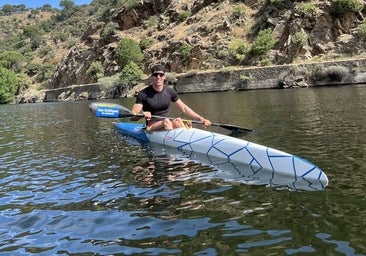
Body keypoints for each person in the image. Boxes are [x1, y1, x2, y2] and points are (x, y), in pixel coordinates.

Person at [130, 64, 211, 131]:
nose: (158, 77)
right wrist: (141, 114)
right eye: (155, 75)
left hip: (168, 123)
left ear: (164, 76)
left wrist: (201, 118)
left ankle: (184, 138)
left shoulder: (170, 91)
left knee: (178, 120)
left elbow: (184, 108)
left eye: (161, 74)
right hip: (152, 125)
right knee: (166, 121)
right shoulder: (143, 94)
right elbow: (133, 116)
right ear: (152, 77)